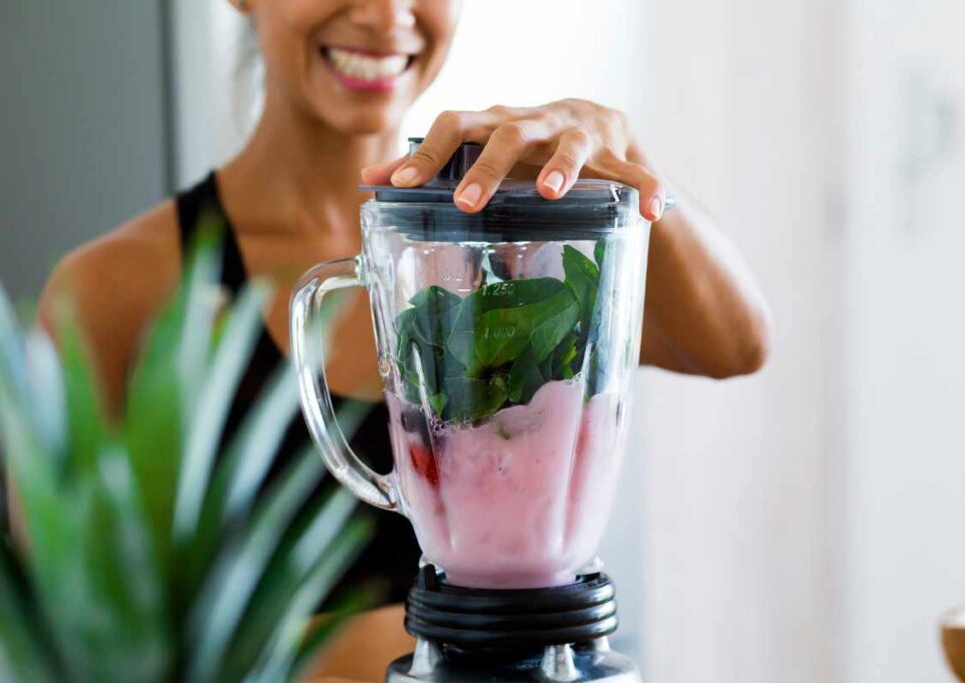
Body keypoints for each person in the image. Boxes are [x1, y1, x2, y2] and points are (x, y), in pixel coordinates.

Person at [39, 1, 771, 679]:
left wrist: (624, 154)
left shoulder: (514, 241)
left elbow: (736, 343)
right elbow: (74, 646)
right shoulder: (115, 291)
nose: (387, 16)